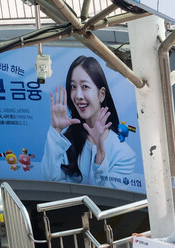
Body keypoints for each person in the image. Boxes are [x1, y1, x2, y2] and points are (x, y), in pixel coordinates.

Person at [42, 56, 137, 187]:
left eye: (85, 86)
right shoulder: (66, 141)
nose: (78, 96)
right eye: (73, 87)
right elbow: (51, 180)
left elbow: (109, 197)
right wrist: (56, 131)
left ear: (101, 94)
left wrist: (100, 153)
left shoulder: (124, 154)